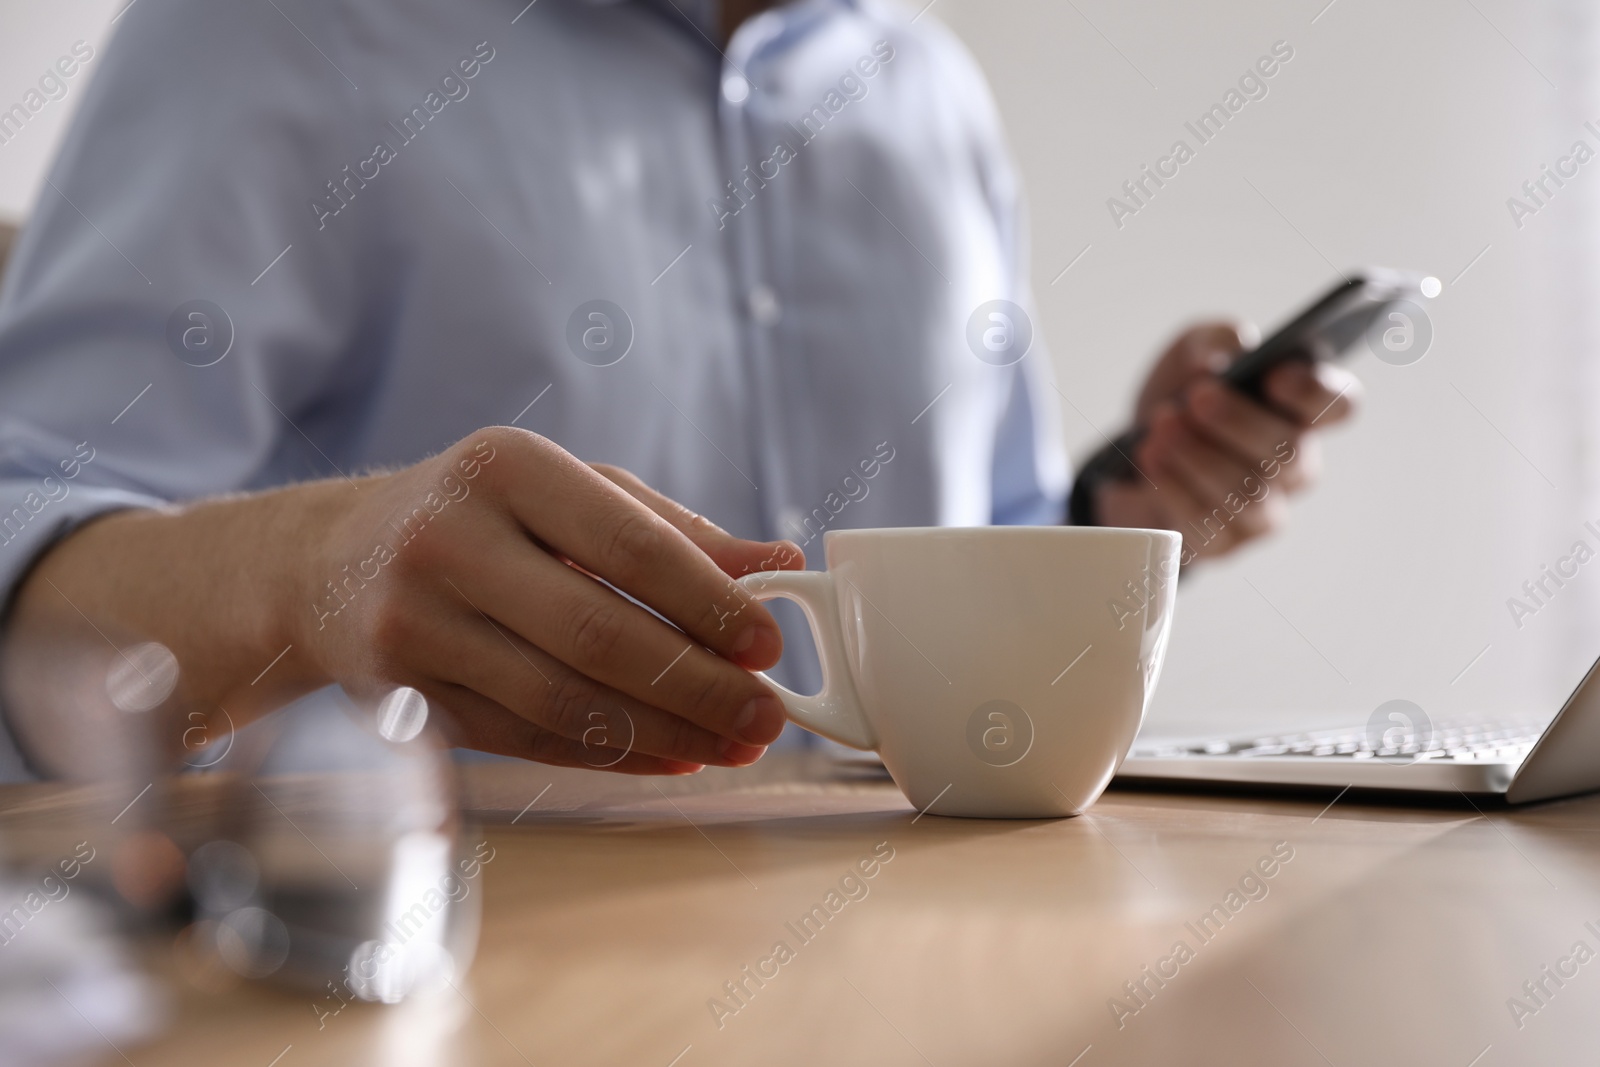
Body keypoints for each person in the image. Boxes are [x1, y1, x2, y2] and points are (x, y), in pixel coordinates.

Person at [0, 0, 1356, 780]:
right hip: (434, 977)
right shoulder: (275, 30)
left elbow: (988, 531)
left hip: (926, 962)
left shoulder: (929, 85)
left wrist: (1121, 503)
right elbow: (23, 519)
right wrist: (307, 573)